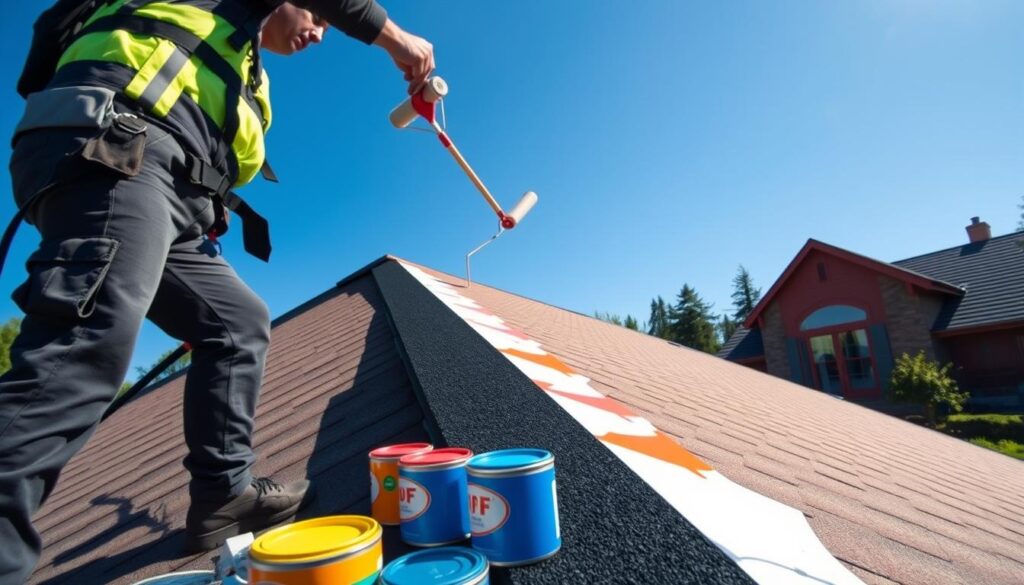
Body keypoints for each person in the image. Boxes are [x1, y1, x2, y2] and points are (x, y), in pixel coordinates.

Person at [0, 1, 433, 583]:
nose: (319, 34)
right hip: (114, 147)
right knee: (87, 343)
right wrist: (399, 39)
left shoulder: (243, 53)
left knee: (237, 324)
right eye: (318, 18)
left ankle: (223, 496)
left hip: (160, 183)